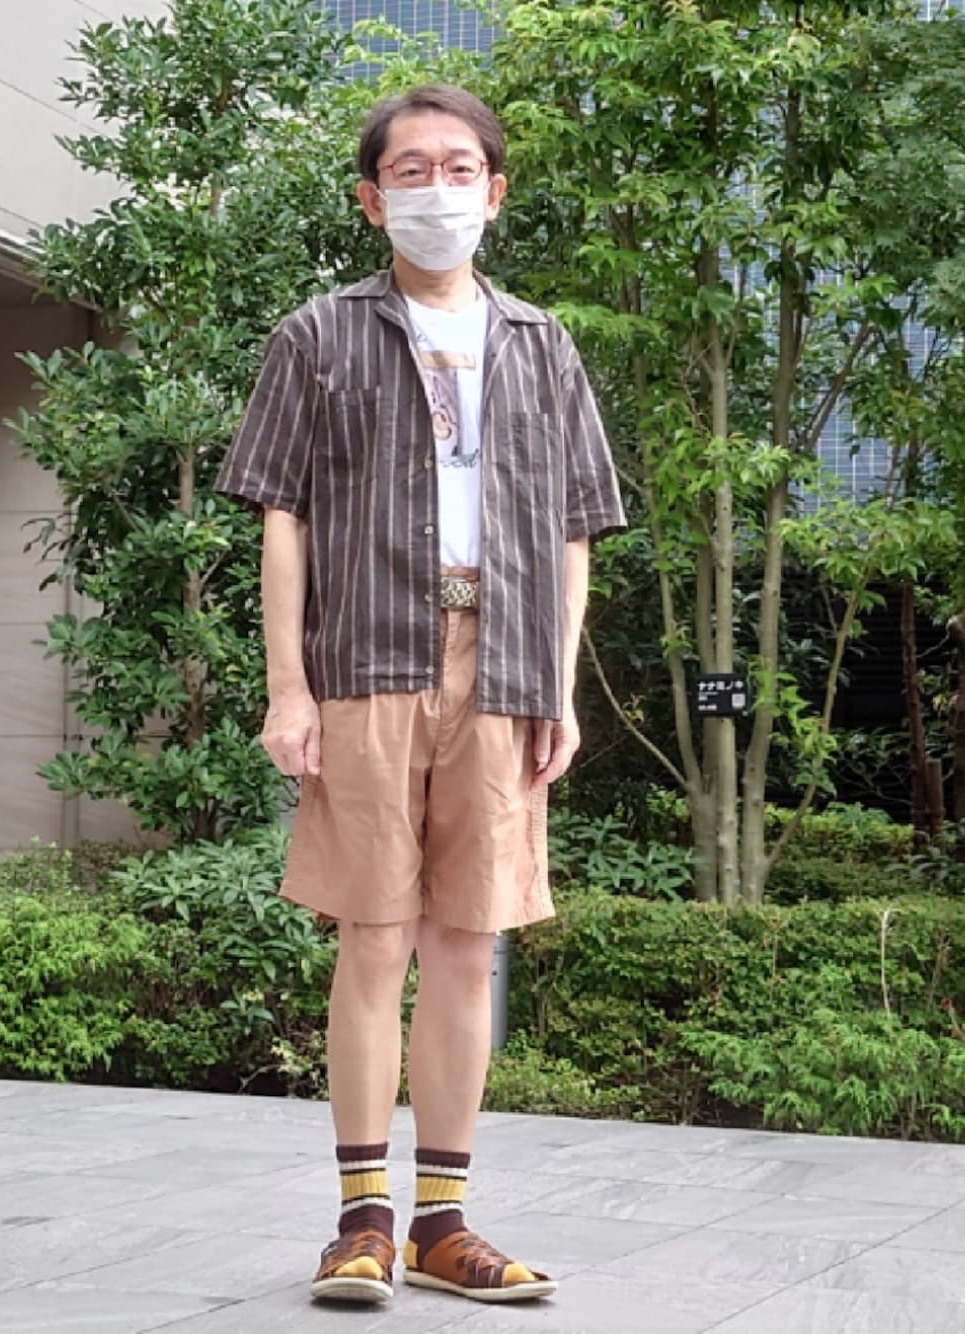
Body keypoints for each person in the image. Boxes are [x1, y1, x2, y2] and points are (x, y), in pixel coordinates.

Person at [217, 83, 625, 1307]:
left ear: (494, 192)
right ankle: (362, 1218)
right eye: (410, 170)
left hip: (502, 667)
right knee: (374, 935)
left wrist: (558, 685)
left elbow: (572, 529)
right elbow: (282, 517)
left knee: (465, 940)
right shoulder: (317, 335)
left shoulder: (541, 343)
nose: (435, 188)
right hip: (367, 662)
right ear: (370, 197)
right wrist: (288, 688)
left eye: (458, 168)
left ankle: (443, 1220)